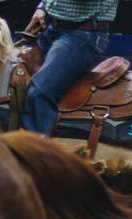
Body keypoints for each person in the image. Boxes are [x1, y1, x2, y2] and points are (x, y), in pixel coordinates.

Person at [22, 0, 119, 135]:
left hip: (83, 35)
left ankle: (34, 153)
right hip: (52, 29)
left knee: (39, 92)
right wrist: (43, 8)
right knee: (16, 81)